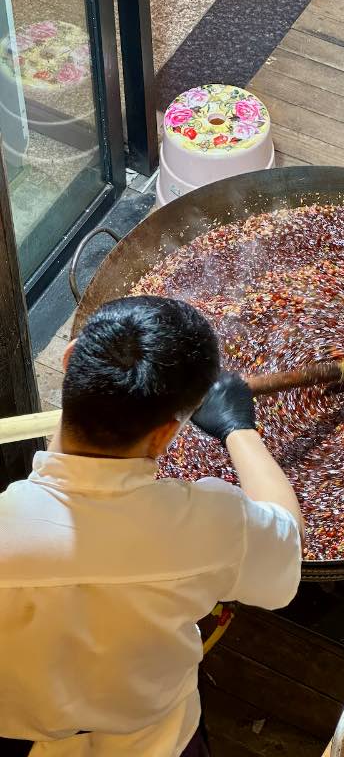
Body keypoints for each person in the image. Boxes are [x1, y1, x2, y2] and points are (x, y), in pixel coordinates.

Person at [0, 295, 304, 756]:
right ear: (163, 434)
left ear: (68, 358)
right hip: (156, 742)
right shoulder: (208, 524)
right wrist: (239, 428)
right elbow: (288, 547)